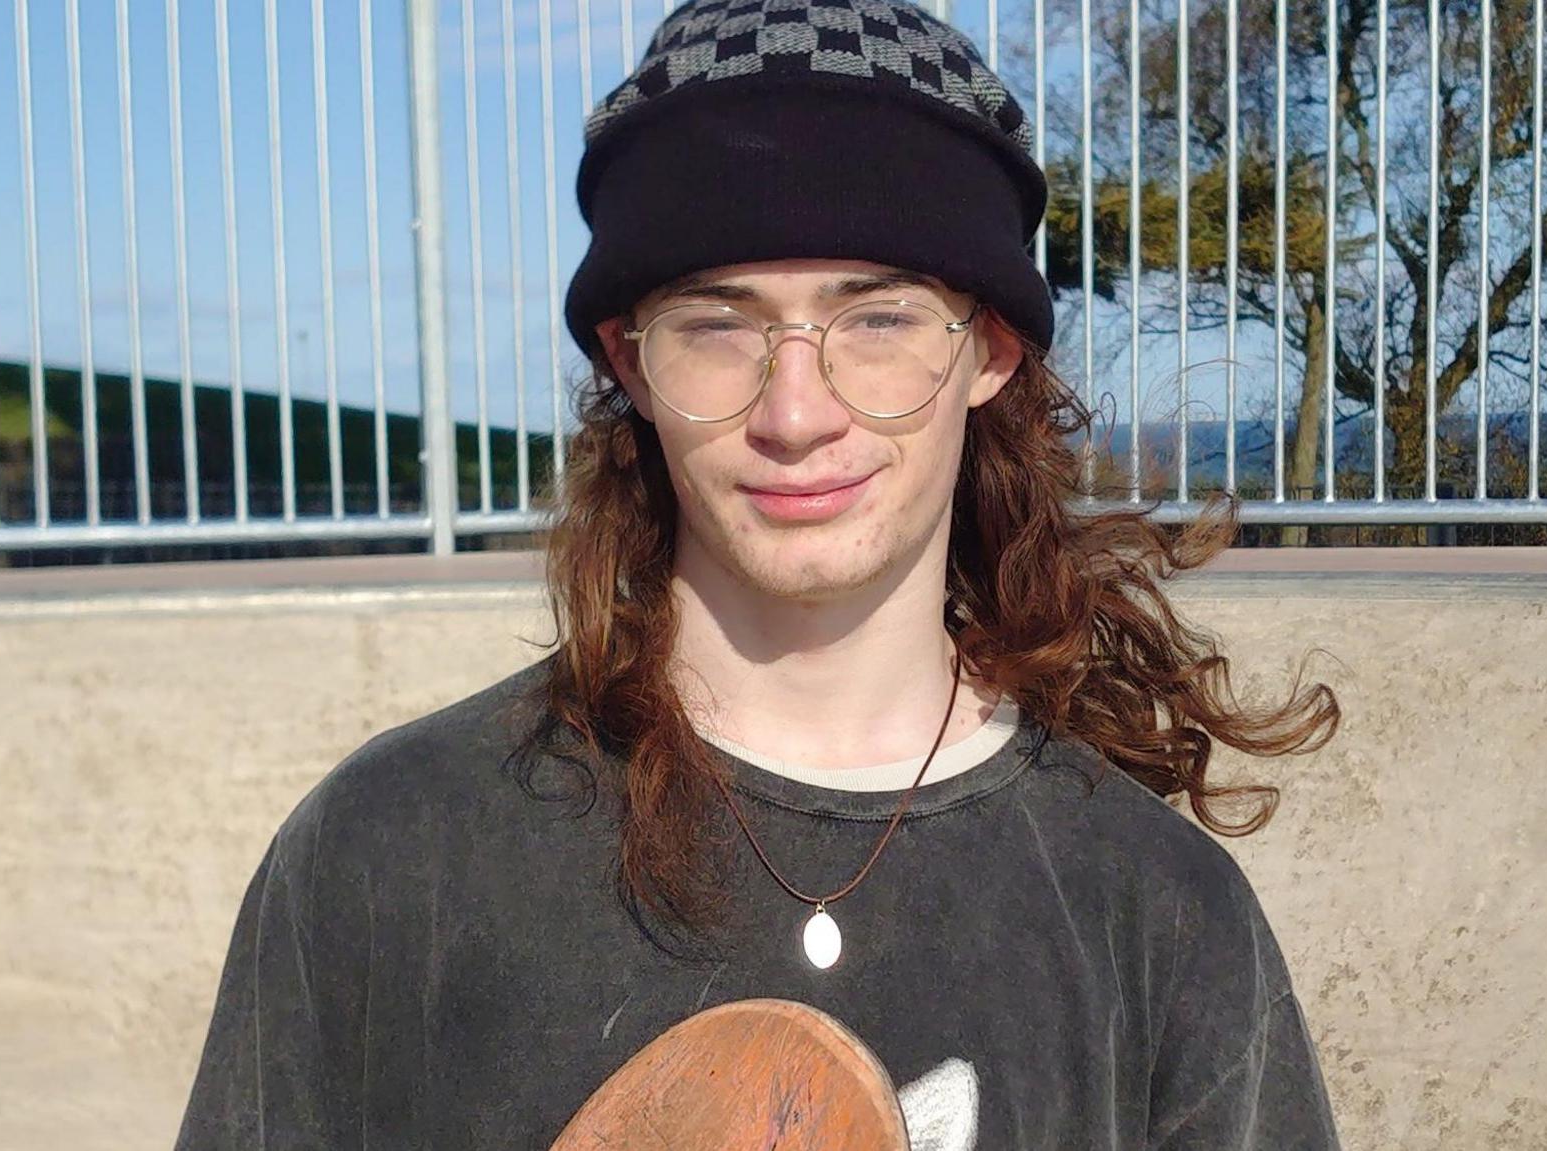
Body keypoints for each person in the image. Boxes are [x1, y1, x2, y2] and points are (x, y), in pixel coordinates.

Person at [175, 0, 1343, 1146]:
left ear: (986, 350)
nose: (795, 412)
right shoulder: (392, 851)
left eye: (877, 319)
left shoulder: (1153, 908)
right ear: (628, 363)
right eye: (717, 325)